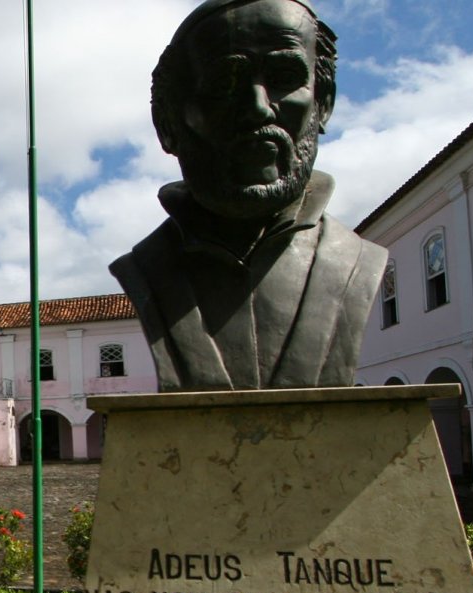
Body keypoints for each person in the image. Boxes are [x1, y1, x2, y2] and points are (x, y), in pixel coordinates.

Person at [110, 0, 388, 392]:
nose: (258, 108)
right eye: (225, 82)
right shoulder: (146, 272)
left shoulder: (359, 263)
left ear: (323, 103)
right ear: (167, 124)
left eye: (284, 76)